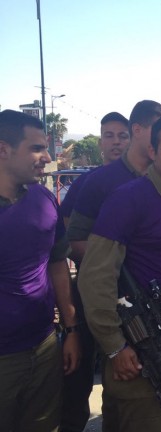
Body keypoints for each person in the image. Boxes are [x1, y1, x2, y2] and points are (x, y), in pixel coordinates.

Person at [78, 115, 161, 431]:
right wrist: (115, 346)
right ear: (153, 151)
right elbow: (95, 277)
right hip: (140, 346)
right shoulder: (128, 199)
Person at [0, 109, 80, 430]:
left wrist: (71, 331)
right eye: (36, 148)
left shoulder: (44, 199)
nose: (47, 157)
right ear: (3, 149)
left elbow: (57, 264)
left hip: (45, 347)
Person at [59, 111, 131, 432]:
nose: (116, 142)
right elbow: (68, 239)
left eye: (122, 135)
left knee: (122, 371)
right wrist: (112, 258)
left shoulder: (141, 182)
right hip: (90, 288)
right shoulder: (87, 183)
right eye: (109, 135)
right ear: (101, 141)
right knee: (80, 370)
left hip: (129, 293)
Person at [67, 100, 161, 258]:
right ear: (136, 130)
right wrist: (121, 264)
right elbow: (74, 241)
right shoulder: (98, 181)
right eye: (158, 131)